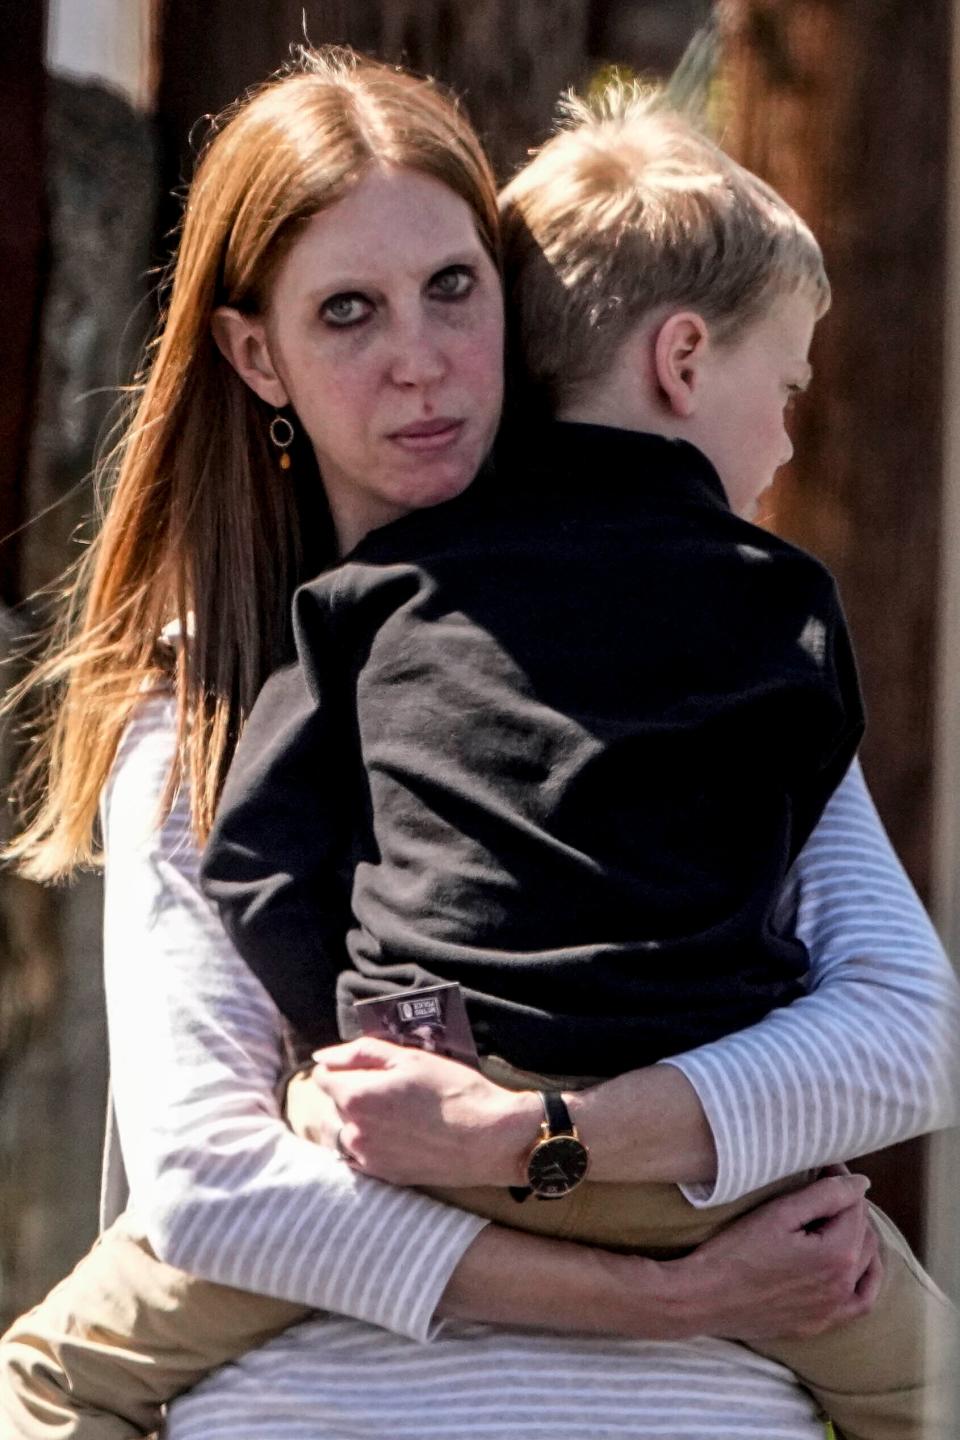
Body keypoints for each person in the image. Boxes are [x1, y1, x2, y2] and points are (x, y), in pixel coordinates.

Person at [0, 47, 954, 1440]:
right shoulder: (199, 701)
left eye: (456, 287)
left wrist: (516, 1132)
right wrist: (673, 1288)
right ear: (253, 354)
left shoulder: (706, 650)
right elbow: (213, 1189)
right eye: (347, 313)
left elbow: (905, 1036)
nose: (424, 360)